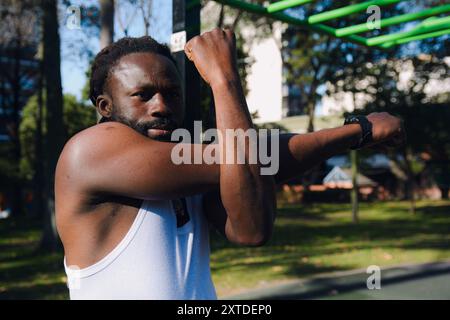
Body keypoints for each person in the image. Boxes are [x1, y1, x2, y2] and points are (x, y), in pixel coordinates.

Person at [55, 28, 405, 300]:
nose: (161, 106)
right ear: (104, 106)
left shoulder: (194, 159)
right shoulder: (89, 151)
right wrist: (223, 79)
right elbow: (251, 155)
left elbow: (252, 229)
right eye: (143, 95)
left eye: (172, 94)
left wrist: (355, 132)